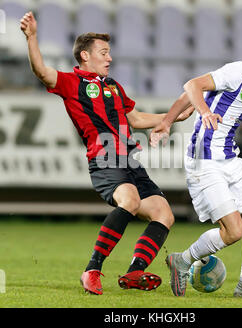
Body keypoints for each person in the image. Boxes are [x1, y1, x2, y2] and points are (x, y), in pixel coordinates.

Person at [20, 12, 193, 295]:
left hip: (129, 161)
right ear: (85, 56)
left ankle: (135, 271)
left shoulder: (113, 86)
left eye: (109, 53)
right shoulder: (71, 82)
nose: (109, 58)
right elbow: (41, 71)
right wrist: (31, 37)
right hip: (103, 159)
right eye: (103, 52)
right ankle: (92, 269)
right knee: (130, 200)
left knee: (164, 214)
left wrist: (172, 118)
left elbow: (135, 119)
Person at [150, 35, 242, 298]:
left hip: (228, 158)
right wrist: (203, 112)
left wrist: (168, 121)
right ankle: (182, 260)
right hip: (206, 160)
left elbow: (191, 93)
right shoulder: (238, 71)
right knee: (234, 231)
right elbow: (192, 85)